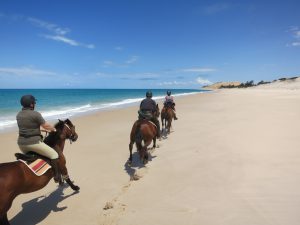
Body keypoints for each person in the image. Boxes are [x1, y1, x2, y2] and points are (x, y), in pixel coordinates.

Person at [16, 95, 62, 184]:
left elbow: (27, 128)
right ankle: (57, 176)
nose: (35, 104)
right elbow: (46, 126)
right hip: (34, 143)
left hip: (21, 144)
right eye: (34, 102)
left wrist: (40, 130)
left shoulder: (19, 115)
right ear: (31, 104)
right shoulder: (35, 114)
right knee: (54, 155)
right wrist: (54, 129)